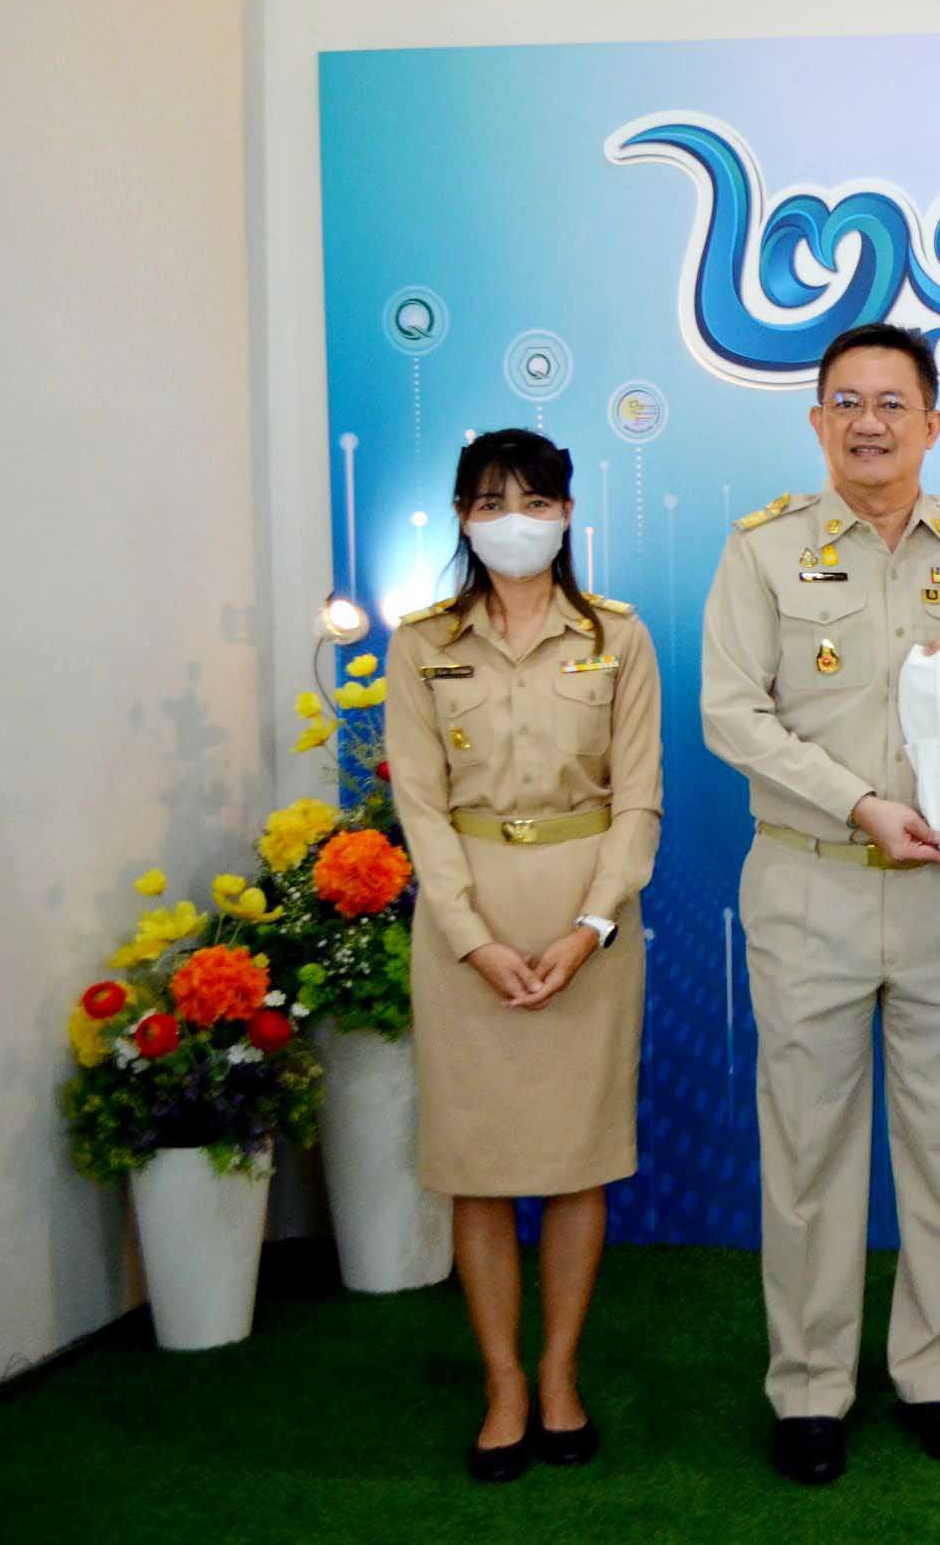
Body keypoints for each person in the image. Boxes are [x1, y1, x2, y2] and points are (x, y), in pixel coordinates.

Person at [700, 322, 940, 1484]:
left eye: (892, 402)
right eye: (846, 402)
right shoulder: (763, 549)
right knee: (808, 1146)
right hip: (812, 881)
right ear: (817, 421)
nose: (869, 423)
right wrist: (857, 803)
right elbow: (731, 713)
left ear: (932, 422)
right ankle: (809, 1387)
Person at [385, 428, 661, 1483]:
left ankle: (558, 1375)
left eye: (538, 502)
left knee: (578, 1158)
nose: (517, 521)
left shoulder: (616, 636)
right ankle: (502, 1382)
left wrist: (591, 928)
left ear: (567, 514)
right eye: (494, 502)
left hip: (589, 915)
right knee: (482, 1165)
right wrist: (471, 938)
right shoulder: (423, 643)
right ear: (464, 516)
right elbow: (420, 806)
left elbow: (638, 800)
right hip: (469, 919)